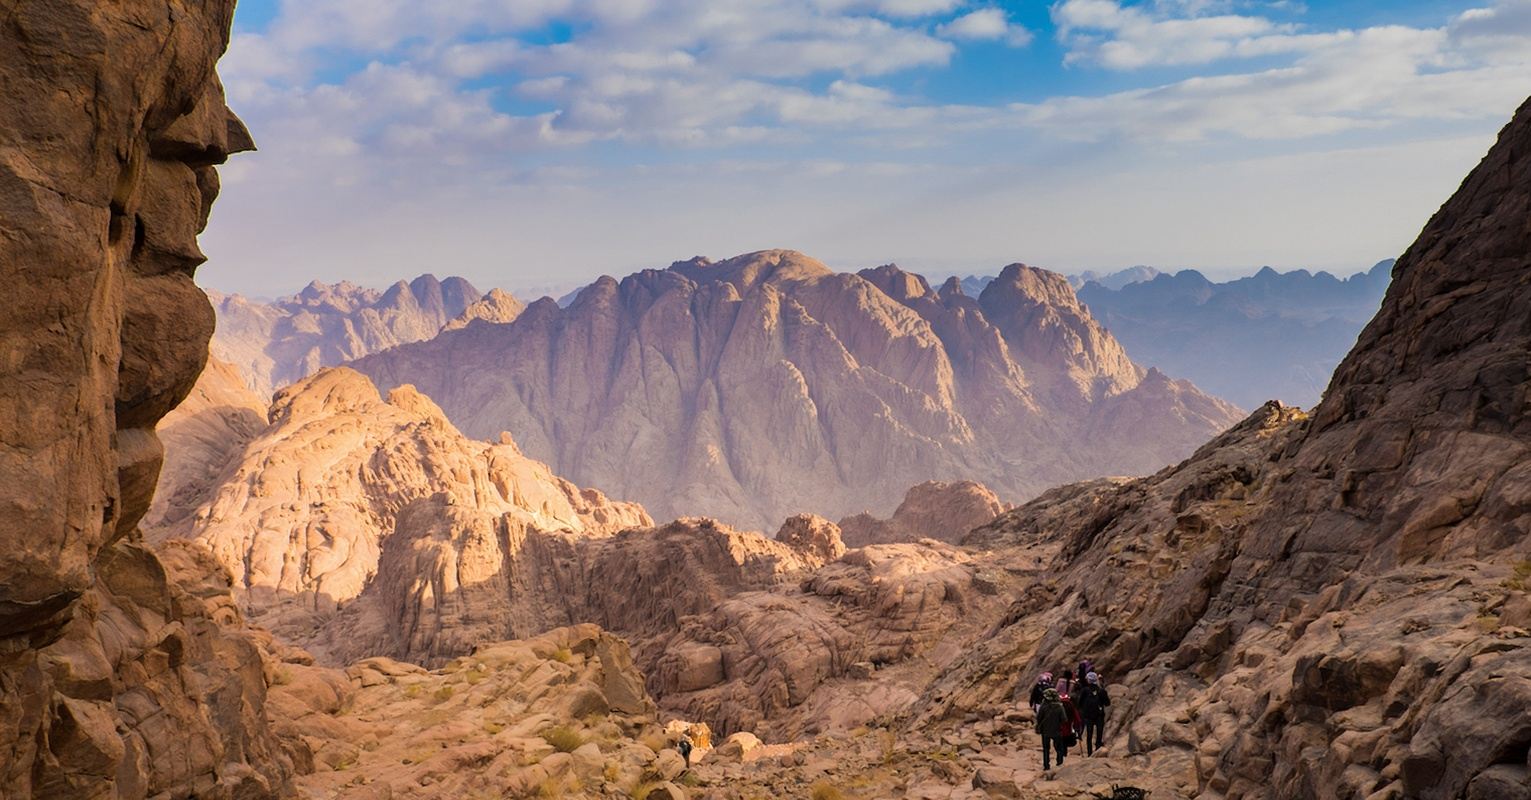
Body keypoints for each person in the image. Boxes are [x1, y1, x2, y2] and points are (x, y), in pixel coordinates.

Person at [1035, 687, 1069, 771]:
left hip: (1045, 731)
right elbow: (1064, 719)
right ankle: (1059, 763)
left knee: (1046, 749)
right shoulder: (1059, 706)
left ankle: (1046, 765)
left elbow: (1039, 717)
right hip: (1057, 730)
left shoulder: (1044, 706)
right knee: (1059, 748)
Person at [1078, 671, 1111, 755]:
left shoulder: (1085, 690)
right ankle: (1098, 750)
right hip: (1099, 715)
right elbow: (1107, 703)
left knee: (1089, 735)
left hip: (1088, 715)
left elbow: (1079, 703)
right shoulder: (1101, 690)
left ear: (1088, 680)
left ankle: (1089, 753)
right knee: (1099, 734)